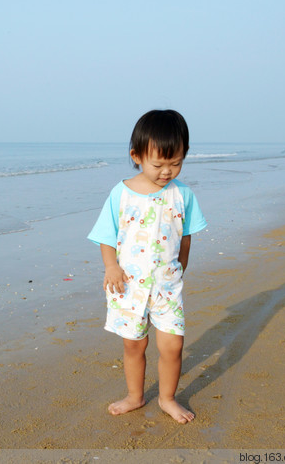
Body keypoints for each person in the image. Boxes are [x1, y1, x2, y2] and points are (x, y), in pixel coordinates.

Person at [88, 109, 207, 424]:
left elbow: (186, 238)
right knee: (134, 345)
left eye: (176, 163)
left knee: (173, 346)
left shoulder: (183, 194)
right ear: (136, 156)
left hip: (168, 286)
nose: (167, 171)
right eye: (159, 164)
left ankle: (167, 398)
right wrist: (110, 266)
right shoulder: (122, 193)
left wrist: (181, 267)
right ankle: (135, 395)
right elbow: (106, 235)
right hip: (129, 286)